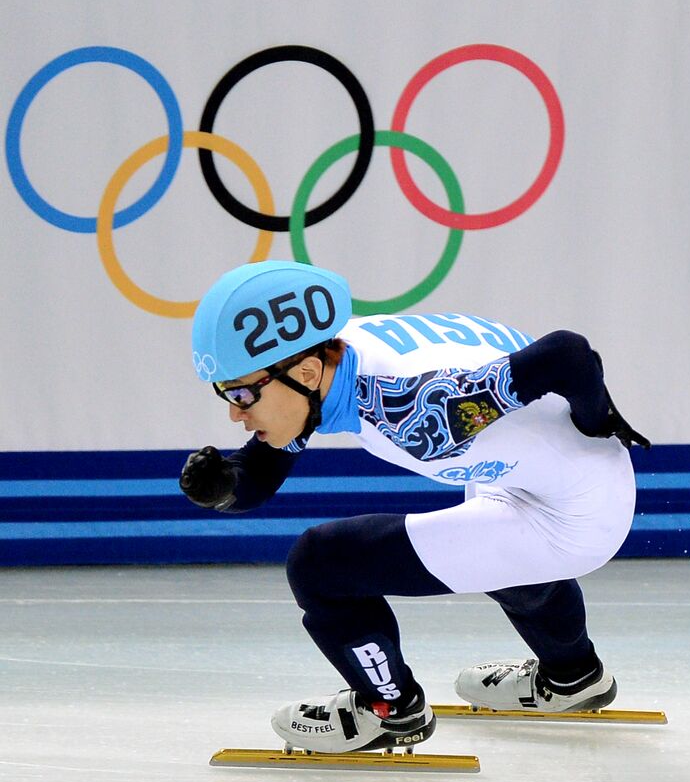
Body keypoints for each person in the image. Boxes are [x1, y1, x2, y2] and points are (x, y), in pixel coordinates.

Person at [180, 260, 649, 754]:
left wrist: (601, 422)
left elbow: (568, 355)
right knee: (500, 550)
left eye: (242, 393)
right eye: (224, 393)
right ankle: (573, 675)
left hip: (576, 516)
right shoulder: (332, 359)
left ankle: (388, 709)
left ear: (306, 371)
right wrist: (225, 487)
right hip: (546, 482)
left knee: (321, 564)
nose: (234, 412)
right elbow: (259, 472)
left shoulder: (413, 406)